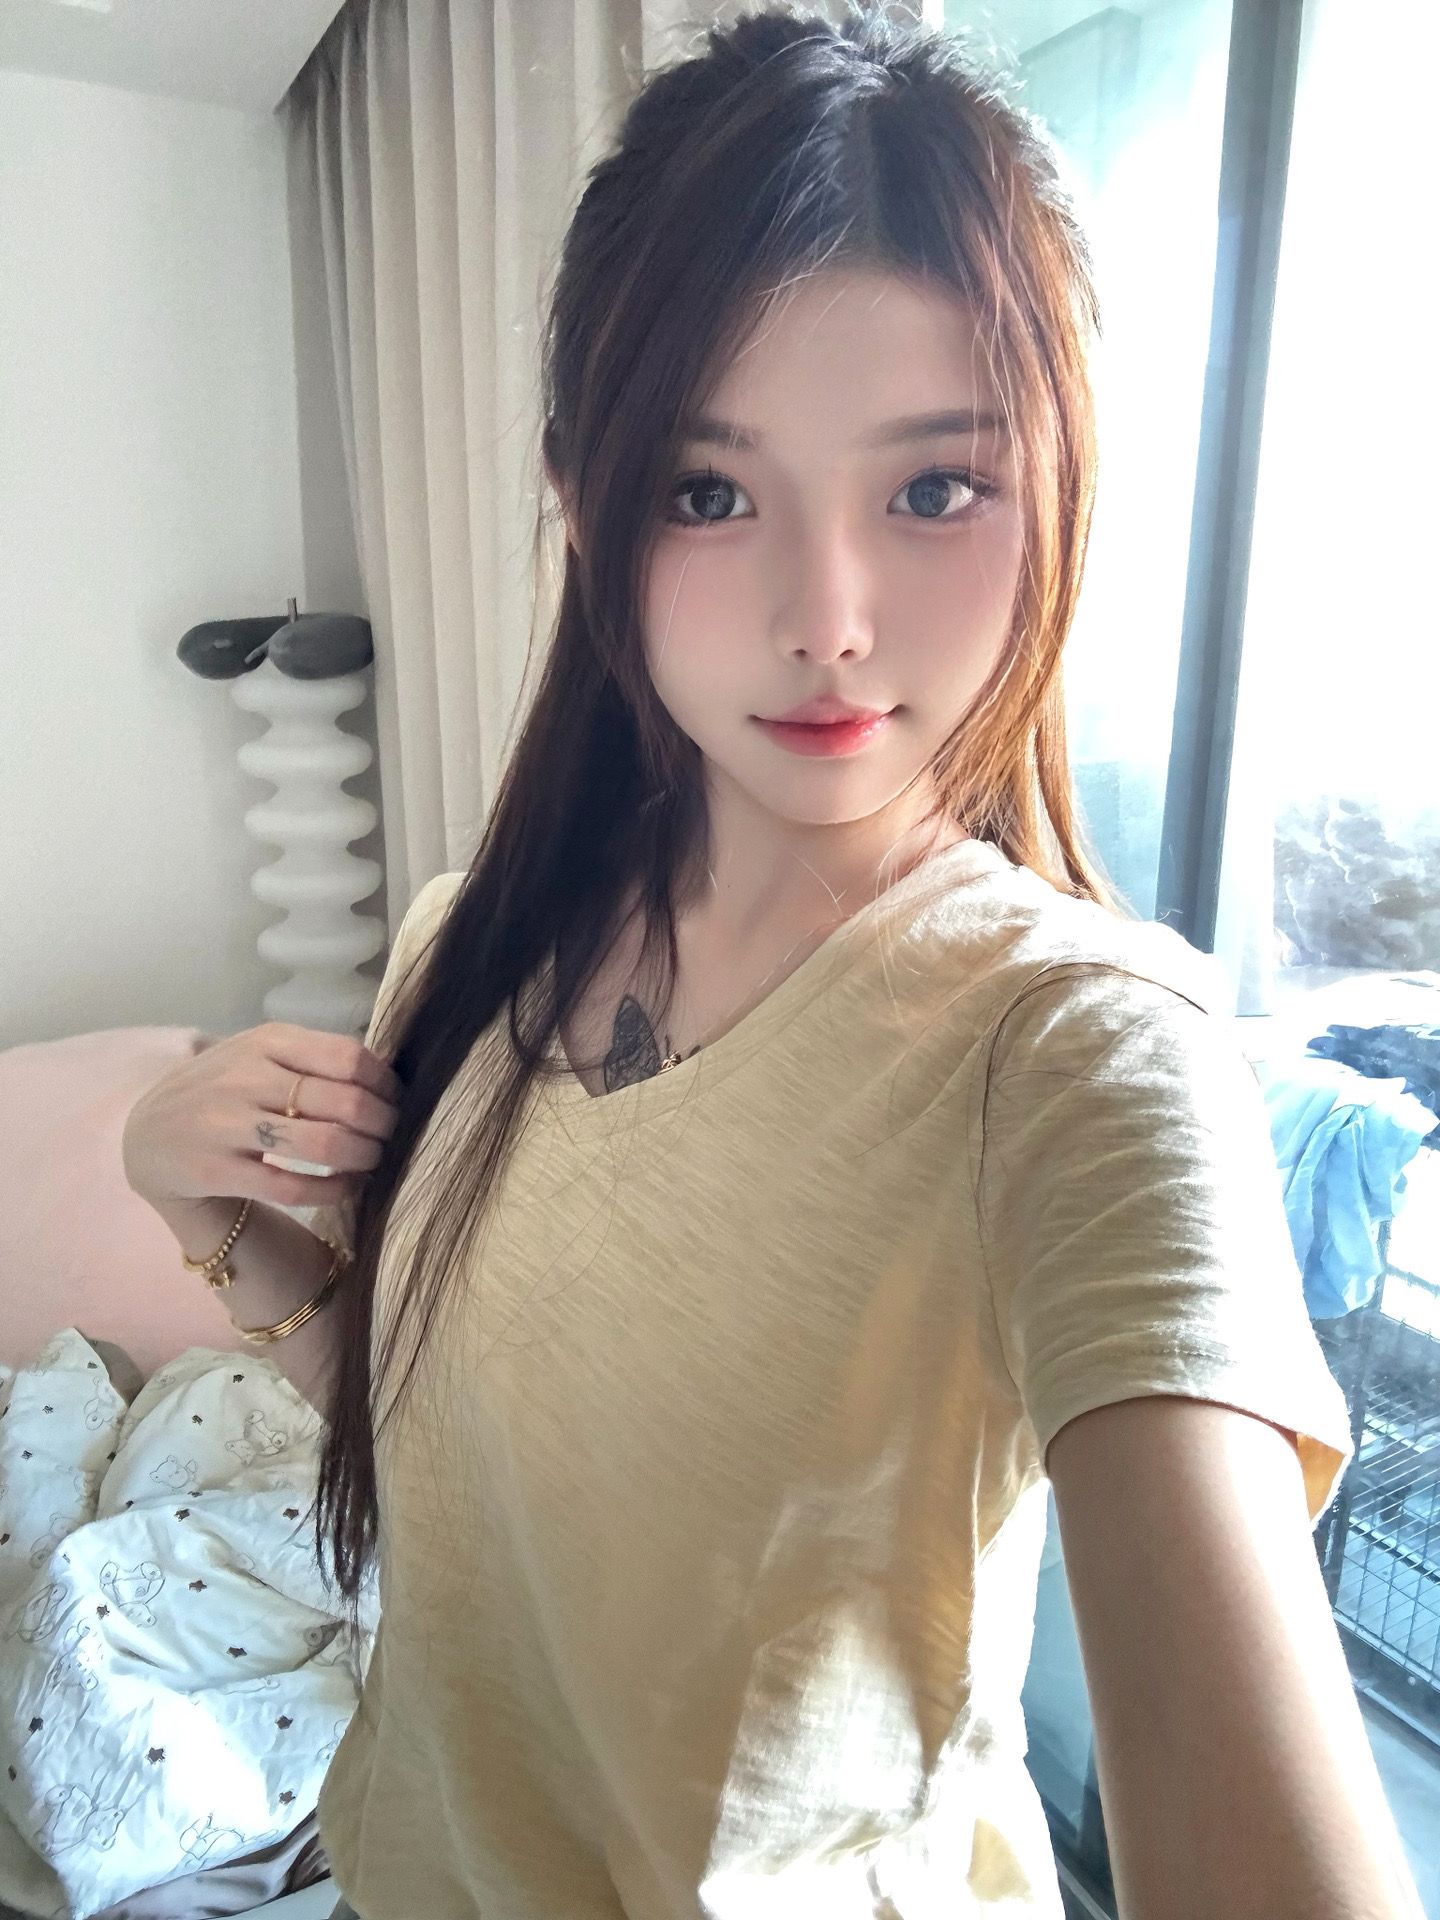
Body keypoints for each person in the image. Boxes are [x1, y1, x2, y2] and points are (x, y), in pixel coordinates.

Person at [122, 5, 1426, 1916]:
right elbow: (446, 1453)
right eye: (711, 492)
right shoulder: (465, 947)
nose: (830, 619)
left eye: (935, 488)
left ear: (1058, 488)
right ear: (586, 505)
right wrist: (216, 1220)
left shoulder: (1072, 1054)